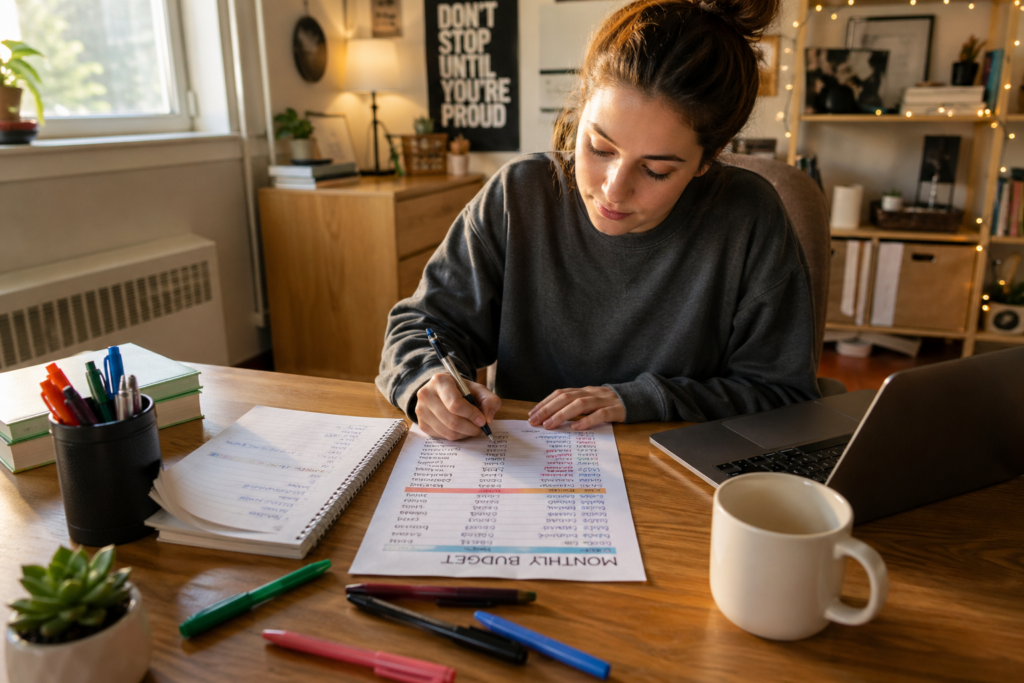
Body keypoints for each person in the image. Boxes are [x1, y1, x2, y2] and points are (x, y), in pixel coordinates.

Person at [377, 0, 821, 441]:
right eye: (600, 148)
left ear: (709, 159)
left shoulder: (750, 219)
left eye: (656, 170)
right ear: (581, 108)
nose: (612, 189)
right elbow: (421, 327)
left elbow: (783, 394)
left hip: (676, 485)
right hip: (525, 472)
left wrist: (643, 399)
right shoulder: (520, 195)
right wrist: (426, 381)